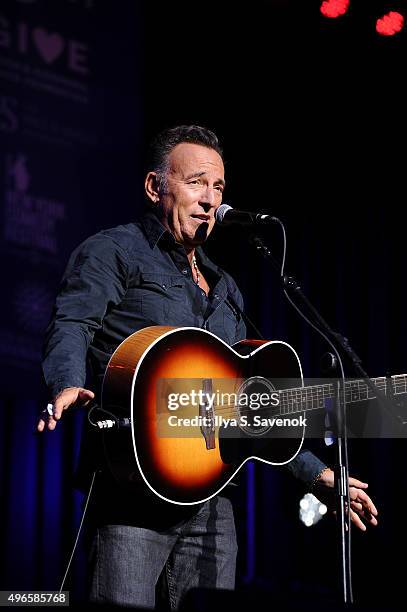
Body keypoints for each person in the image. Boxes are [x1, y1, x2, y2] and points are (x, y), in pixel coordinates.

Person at [37, 125, 378, 609]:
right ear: (156, 187)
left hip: (214, 502)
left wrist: (319, 475)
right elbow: (72, 321)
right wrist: (67, 380)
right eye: (197, 182)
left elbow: (253, 409)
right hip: (135, 488)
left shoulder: (226, 289)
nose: (210, 200)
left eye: (218, 188)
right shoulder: (115, 251)